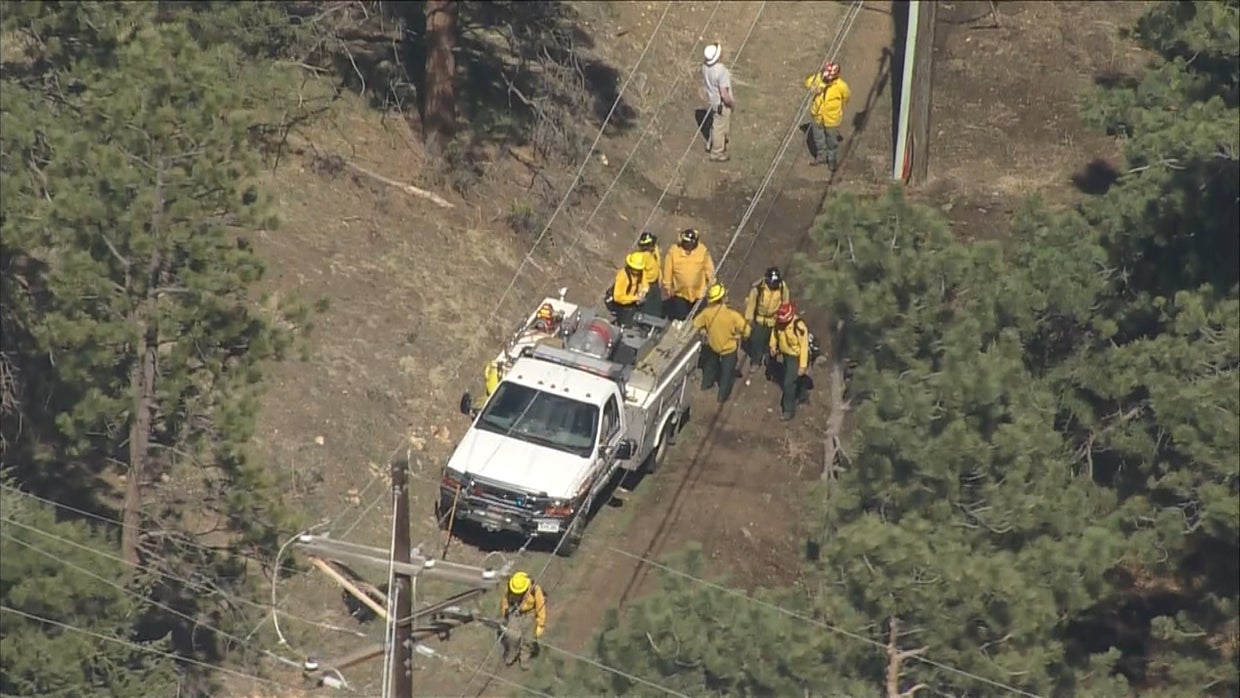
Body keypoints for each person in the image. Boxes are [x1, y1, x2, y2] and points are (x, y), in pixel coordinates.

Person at [692, 282, 750, 404]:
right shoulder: (732, 315)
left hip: (713, 346)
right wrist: (742, 336)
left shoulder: (707, 313)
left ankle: (706, 384)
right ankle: (722, 396)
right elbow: (747, 330)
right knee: (727, 374)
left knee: (710, 366)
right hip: (729, 350)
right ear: (723, 298)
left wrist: (704, 331)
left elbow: (695, 324)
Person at [742, 266, 790, 385]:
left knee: (773, 344)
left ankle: (770, 363)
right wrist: (748, 321)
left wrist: (783, 319)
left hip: (774, 320)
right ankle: (755, 361)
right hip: (760, 319)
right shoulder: (758, 288)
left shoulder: (782, 287)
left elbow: (785, 302)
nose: (773, 286)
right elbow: (751, 305)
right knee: (756, 341)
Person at [804, 61, 851, 172]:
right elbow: (808, 82)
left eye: (831, 76)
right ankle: (821, 156)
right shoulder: (819, 79)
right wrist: (817, 85)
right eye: (827, 75)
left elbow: (846, 97)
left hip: (832, 118)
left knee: (831, 140)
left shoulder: (841, 86)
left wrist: (838, 108)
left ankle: (832, 160)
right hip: (817, 115)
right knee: (818, 137)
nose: (828, 78)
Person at [769, 302, 811, 421]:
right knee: (793, 378)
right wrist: (773, 346)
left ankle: (788, 410)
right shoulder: (779, 322)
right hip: (785, 355)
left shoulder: (799, 326)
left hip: (795, 357)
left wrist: (802, 365)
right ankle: (802, 394)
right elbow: (774, 333)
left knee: (788, 383)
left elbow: (804, 347)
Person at [662, 228, 716, 321]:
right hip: (680, 294)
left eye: (691, 244)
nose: (688, 246)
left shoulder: (702, 250)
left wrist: (712, 283)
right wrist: (668, 286)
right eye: (686, 243)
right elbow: (668, 270)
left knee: (700, 319)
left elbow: (709, 268)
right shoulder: (674, 252)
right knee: (680, 319)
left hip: (699, 293)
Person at [499, 572, 547, 667]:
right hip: (514, 612)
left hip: (530, 614)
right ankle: (512, 653)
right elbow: (505, 601)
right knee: (512, 636)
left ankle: (524, 658)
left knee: (528, 639)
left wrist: (540, 625)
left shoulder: (535, 589)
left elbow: (541, 607)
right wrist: (506, 614)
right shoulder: (510, 587)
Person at [702, 42, 735, 163]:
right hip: (722, 104)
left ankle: (711, 143)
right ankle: (717, 152)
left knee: (716, 123)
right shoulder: (721, 71)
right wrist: (731, 103)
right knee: (719, 127)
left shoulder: (705, 67)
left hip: (712, 101)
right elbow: (724, 93)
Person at [607, 252, 648, 327]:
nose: (637, 272)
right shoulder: (622, 276)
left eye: (638, 269)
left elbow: (644, 282)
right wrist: (634, 298)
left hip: (633, 303)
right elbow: (618, 297)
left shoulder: (641, 272)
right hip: (620, 304)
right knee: (623, 324)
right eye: (635, 269)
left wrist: (643, 291)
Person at [635, 231, 664, 318]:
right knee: (646, 308)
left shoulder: (653, 253)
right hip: (645, 285)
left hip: (654, 284)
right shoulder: (641, 256)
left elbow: (657, 265)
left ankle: (655, 320)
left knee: (656, 305)